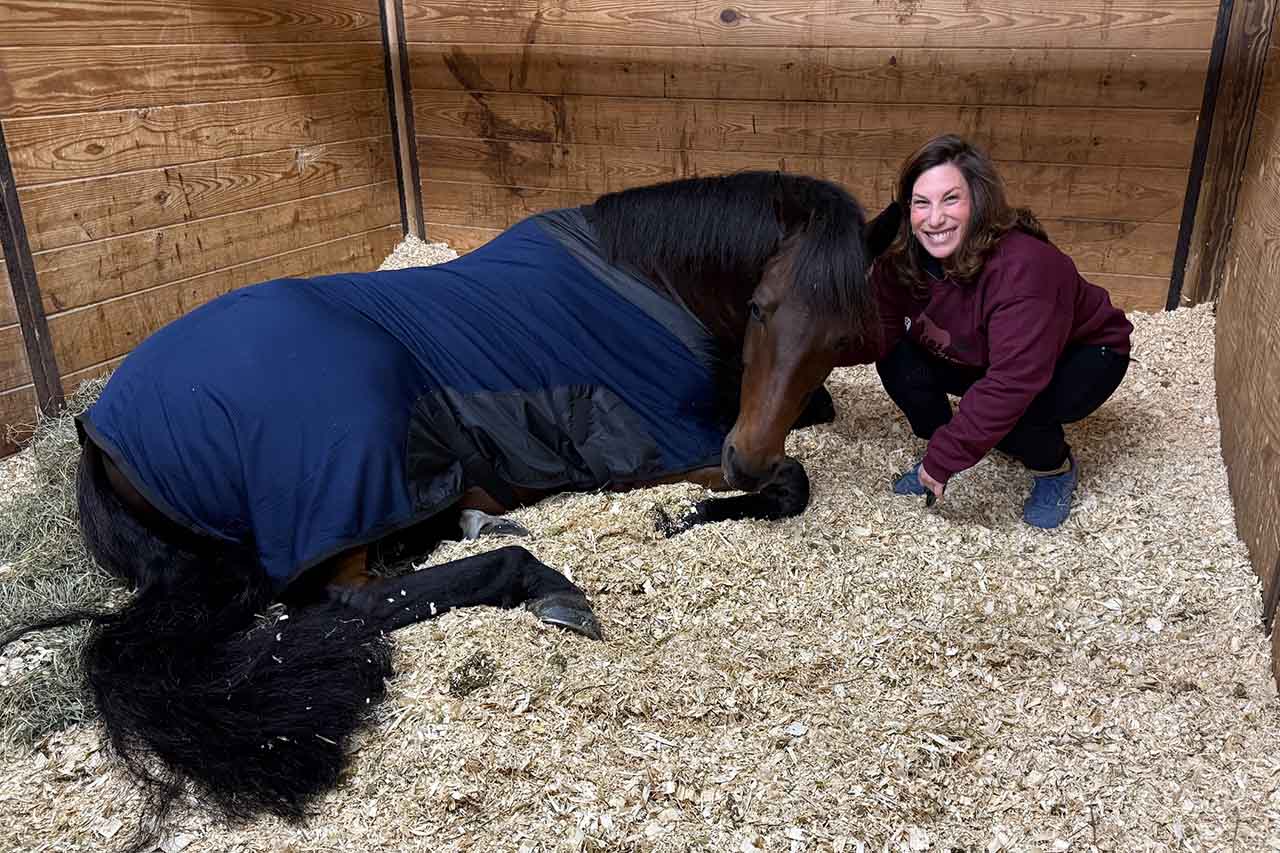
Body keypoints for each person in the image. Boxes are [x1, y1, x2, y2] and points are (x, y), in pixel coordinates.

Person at [849, 134, 1133, 529]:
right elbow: (879, 332)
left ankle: (1055, 470)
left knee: (1019, 409)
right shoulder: (901, 258)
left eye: (951, 199)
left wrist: (947, 459)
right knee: (897, 356)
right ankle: (947, 437)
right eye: (921, 202)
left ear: (979, 202)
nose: (935, 219)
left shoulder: (1024, 268)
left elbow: (1013, 381)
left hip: (1086, 354)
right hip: (981, 350)